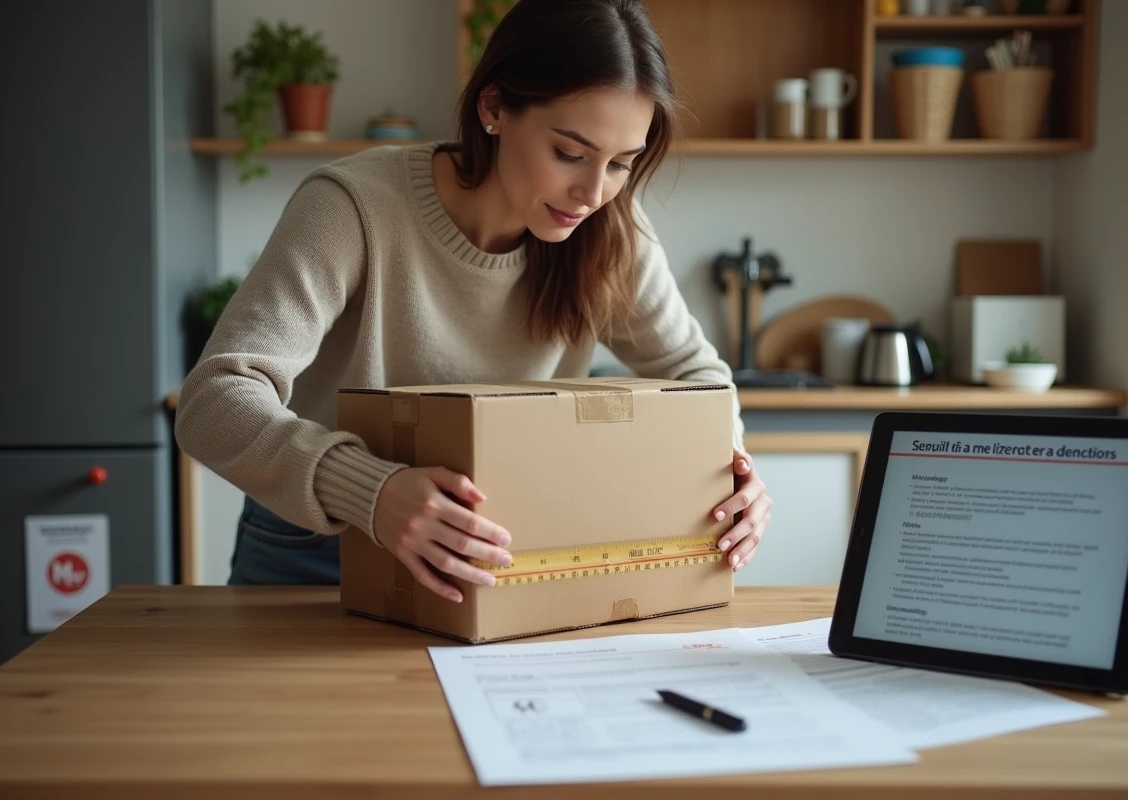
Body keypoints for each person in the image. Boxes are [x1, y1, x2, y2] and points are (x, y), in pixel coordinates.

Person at [174, 0, 773, 598]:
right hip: (316, 551)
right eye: (569, 153)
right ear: (493, 108)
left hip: (498, 554)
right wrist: (370, 490)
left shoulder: (612, 230)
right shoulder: (352, 205)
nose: (593, 192)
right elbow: (213, 399)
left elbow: (698, 377)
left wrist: (732, 468)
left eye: (621, 163)